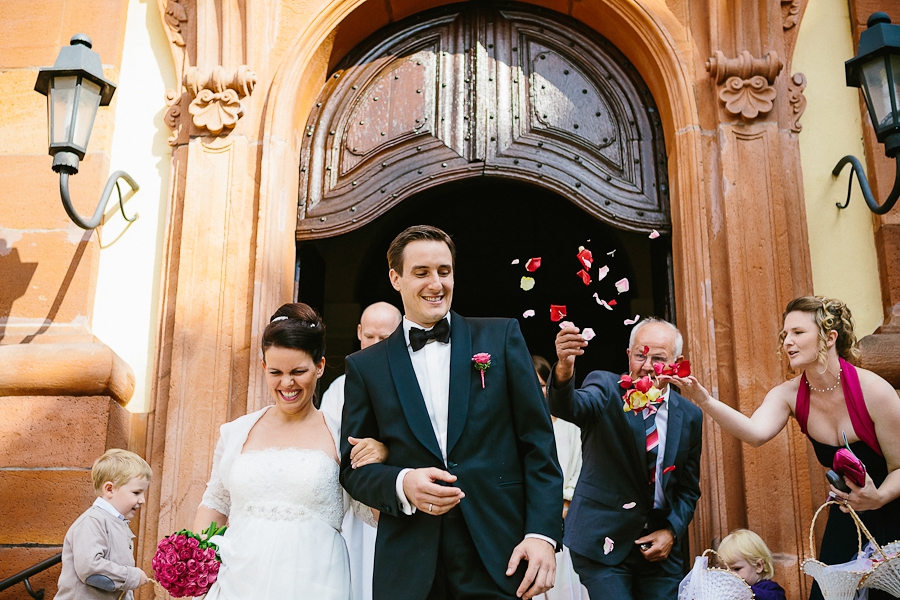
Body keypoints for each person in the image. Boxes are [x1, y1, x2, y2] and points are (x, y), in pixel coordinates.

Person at [339, 225, 564, 600]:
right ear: (395, 278)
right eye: (422, 272)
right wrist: (402, 483)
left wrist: (542, 534)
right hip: (409, 564)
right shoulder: (365, 366)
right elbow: (352, 468)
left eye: (444, 271)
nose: (436, 284)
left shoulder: (501, 338)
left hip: (499, 553)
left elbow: (538, 443)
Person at [662, 296, 900, 600]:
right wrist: (704, 400)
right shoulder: (788, 395)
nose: (787, 341)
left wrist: (878, 498)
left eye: (798, 332)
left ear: (829, 338)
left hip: (892, 506)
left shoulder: (875, 391)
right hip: (847, 513)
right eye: (785, 334)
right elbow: (754, 433)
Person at [194, 303, 388, 600]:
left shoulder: (341, 437)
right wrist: (198, 566)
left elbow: (376, 513)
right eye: (276, 372)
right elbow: (215, 504)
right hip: (238, 582)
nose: (287, 383)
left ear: (319, 366)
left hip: (316, 584)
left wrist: (384, 459)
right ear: (264, 368)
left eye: (298, 371)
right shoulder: (235, 432)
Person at [549, 317, 703, 599]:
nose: (647, 366)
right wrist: (564, 368)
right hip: (602, 540)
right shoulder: (606, 389)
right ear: (629, 355)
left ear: (676, 362)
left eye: (658, 358)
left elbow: (688, 489)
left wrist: (671, 532)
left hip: (658, 550)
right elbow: (568, 405)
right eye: (640, 356)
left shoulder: (690, 416)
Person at [321, 301, 402, 600]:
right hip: (354, 508)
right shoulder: (338, 389)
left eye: (385, 338)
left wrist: (385, 451)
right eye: (369, 336)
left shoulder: (413, 383)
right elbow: (331, 451)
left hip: (399, 504)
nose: (375, 344)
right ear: (358, 332)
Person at [56, 449, 151, 600]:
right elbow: (90, 569)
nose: (142, 500)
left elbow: (118, 588)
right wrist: (131, 576)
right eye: (136, 492)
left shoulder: (117, 523)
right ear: (109, 489)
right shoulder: (92, 521)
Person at [532, 355, 589, 600]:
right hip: (533, 520)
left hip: (567, 517)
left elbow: (581, 468)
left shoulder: (570, 426)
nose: (538, 392)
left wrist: (566, 503)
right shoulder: (522, 429)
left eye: (542, 385)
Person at [716, 529, 786, 600]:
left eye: (737, 569)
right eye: (726, 570)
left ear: (759, 566)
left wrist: (745, 590)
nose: (731, 575)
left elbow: (774, 597)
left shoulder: (770, 589)